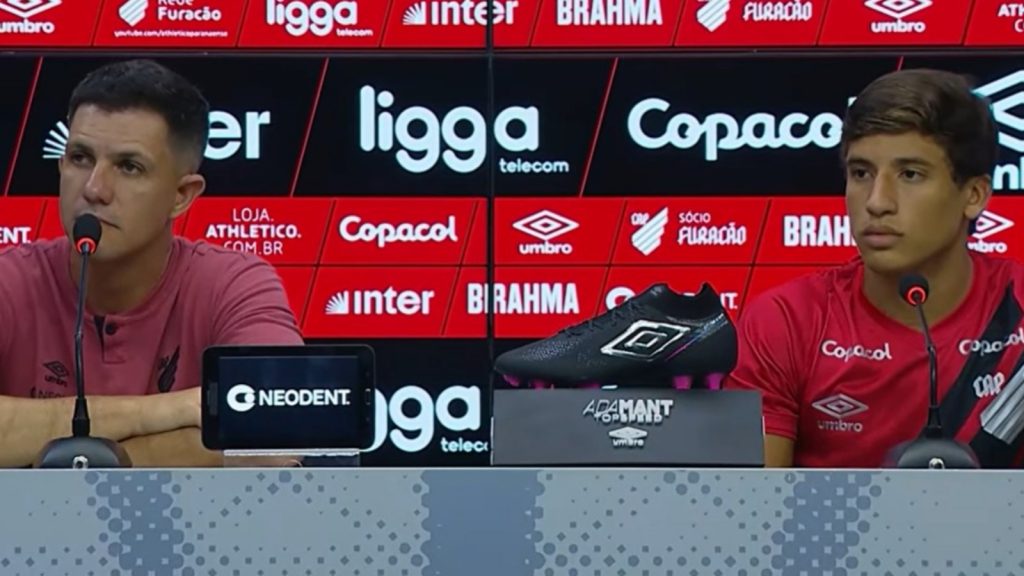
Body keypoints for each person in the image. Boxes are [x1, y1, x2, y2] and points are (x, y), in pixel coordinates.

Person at [0, 59, 304, 468]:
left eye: (129, 167)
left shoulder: (233, 284)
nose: (94, 189)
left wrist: (66, 467)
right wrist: (169, 411)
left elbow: (278, 434)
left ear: (182, 194)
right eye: (80, 158)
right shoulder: (9, 280)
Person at [724, 68, 1024, 468]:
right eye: (861, 173)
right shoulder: (788, 321)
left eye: (910, 174)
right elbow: (750, 515)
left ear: (974, 195)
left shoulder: (1017, 307)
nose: (877, 202)